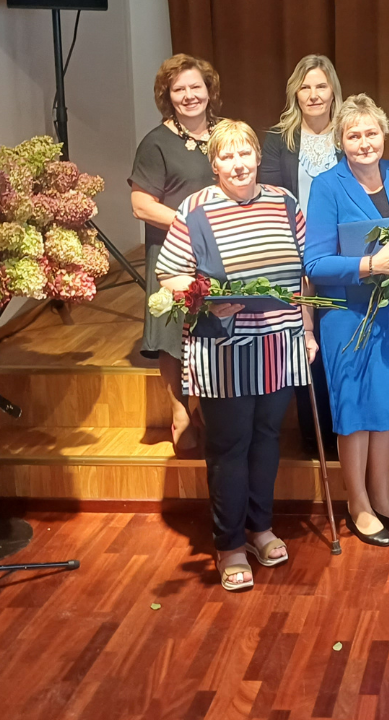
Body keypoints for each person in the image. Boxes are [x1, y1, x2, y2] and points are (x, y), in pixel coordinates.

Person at [156, 120, 316, 591]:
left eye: (245, 153)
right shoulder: (195, 209)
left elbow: (305, 274)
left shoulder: (285, 203)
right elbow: (170, 273)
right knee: (229, 447)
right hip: (223, 348)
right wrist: (205, 298)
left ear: (257, 157)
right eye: (227, 156)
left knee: (267, 438)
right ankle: (228, 544)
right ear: (215, 164)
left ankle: (260, 528)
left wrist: (307, 330)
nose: (238, 164)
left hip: (279, 343)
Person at [304, 94, 389, 547]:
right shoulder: (327, 185)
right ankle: (357, 503)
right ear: (341, 141)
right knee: (355, 411)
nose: (364, 143)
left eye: (371, 133)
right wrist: (370, 265)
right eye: (353, 135)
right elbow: (315, 263)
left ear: (384, 133)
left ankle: (382, 497)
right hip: (349, 317)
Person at [129, 54, 219, 452]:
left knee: (211, 328)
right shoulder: (156, 143)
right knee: (173, 335)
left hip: (219, 250)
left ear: (209, 90)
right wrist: (190, 225)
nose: (189, 95)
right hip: (173, 252)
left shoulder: (225, 135)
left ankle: (205, 408)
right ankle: (180, 412)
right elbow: (141, 205)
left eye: (195, 86)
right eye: (179, 89)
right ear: (168, 96)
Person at [260, 55, 344, 459]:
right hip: (294, 251)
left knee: (337, 339)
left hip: (341, 253)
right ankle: (315, 437)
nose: (313, 94)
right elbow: (272, 197)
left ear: (333, 92)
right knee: (304, 342)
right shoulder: (278, 139)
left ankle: (344, 430)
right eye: (305, 87)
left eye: (321, 86)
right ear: (295, 93)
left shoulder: (348, 135)